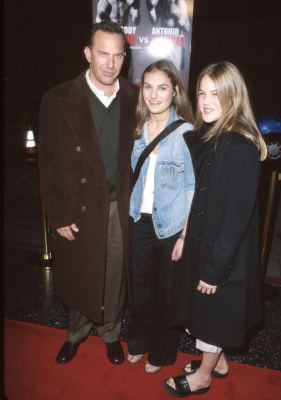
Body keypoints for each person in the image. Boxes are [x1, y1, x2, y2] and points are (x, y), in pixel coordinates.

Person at [163, 61, 267, 397]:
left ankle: (204, 375)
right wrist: (183, 236)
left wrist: (214, 270)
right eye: (202, 93)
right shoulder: (211, 137)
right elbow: (197, 197)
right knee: (203, 313)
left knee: (212, 317)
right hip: (203, 243)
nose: (206, 101)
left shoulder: (238, 146)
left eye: (216, 94)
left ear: (233, 97)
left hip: (223, 256)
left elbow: (236, 219)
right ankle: (218, 363)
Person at [38, 21, 138, 365]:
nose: (109, 64)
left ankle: (110, 332)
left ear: (124, 58)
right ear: (87, 54)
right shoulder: (58, 99)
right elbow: (47, 165)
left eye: (117, 56)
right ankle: (77, 333)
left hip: (118, 205)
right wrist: (58, 216)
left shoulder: (134, 97)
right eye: (102, 54)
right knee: (82, 272)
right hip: (78, 207)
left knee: (115, 275)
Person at [126, 59, 195, 374]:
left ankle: (163, 352)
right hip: (139, 220)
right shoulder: (136, 127)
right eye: (148, 87)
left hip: (170, 228)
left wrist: (184, 234)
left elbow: (193, 189)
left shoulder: (186, 132)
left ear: (175, 91)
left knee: (166, 292)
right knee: (139, 288)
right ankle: (138, 342)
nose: (154, 95)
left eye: (162, 87)